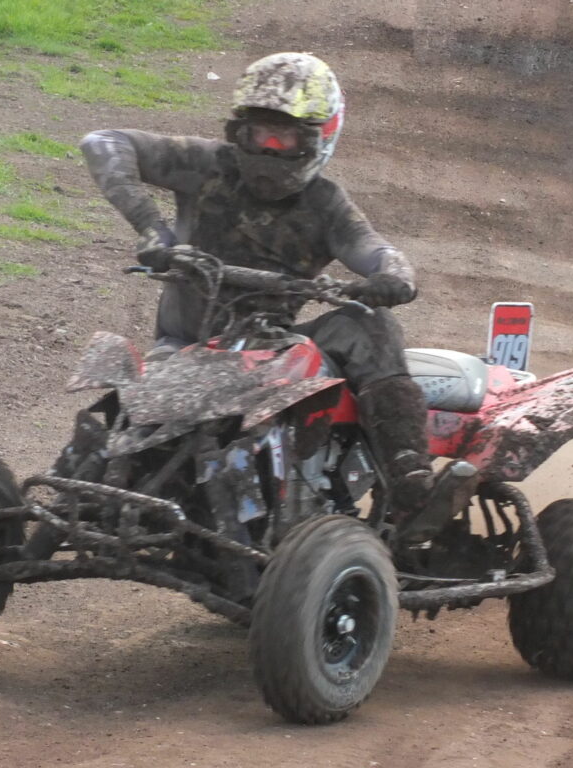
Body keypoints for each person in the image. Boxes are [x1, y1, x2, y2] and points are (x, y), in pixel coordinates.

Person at [81, 52, 447, 539]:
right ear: (239, 132)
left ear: (319, 137)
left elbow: (379, 253)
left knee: (370, 324)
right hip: (183, 349)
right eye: (259, 135)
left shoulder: (327, 205)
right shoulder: (206, 165)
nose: (270, 149)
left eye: (285, 138)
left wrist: (392, 278)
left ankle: (409, 480)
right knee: (119, 406)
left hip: (272, 350)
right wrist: (153, 230)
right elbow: (102, 142)